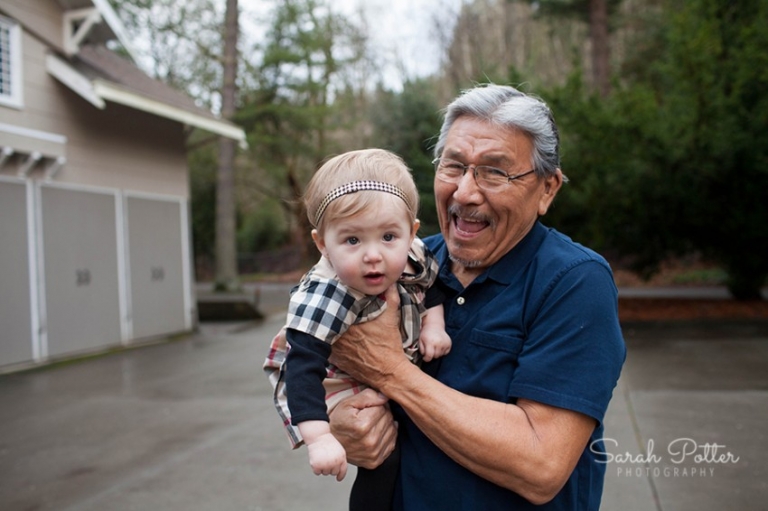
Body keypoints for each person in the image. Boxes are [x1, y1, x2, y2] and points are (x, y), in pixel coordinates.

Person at [325, 84, 627, 510]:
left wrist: (393, 373)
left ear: (547, 189)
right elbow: (321, 362)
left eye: (495, 172)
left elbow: (541, 463)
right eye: (453, 166)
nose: (464, 192)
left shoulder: (573, 282)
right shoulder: (401, 263)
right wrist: (340, 421)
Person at [263, 149, 452, 509]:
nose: (373, 255)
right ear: (322, 243)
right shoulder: (324, 294)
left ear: (411, 232)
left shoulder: (412, 253)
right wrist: (320, 437)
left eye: (388, 236)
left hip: (393, 361)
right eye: (352, 240)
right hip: (332, 378)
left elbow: (433, 284)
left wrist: (434, 325)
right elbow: (303, 368)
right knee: (382, 454)